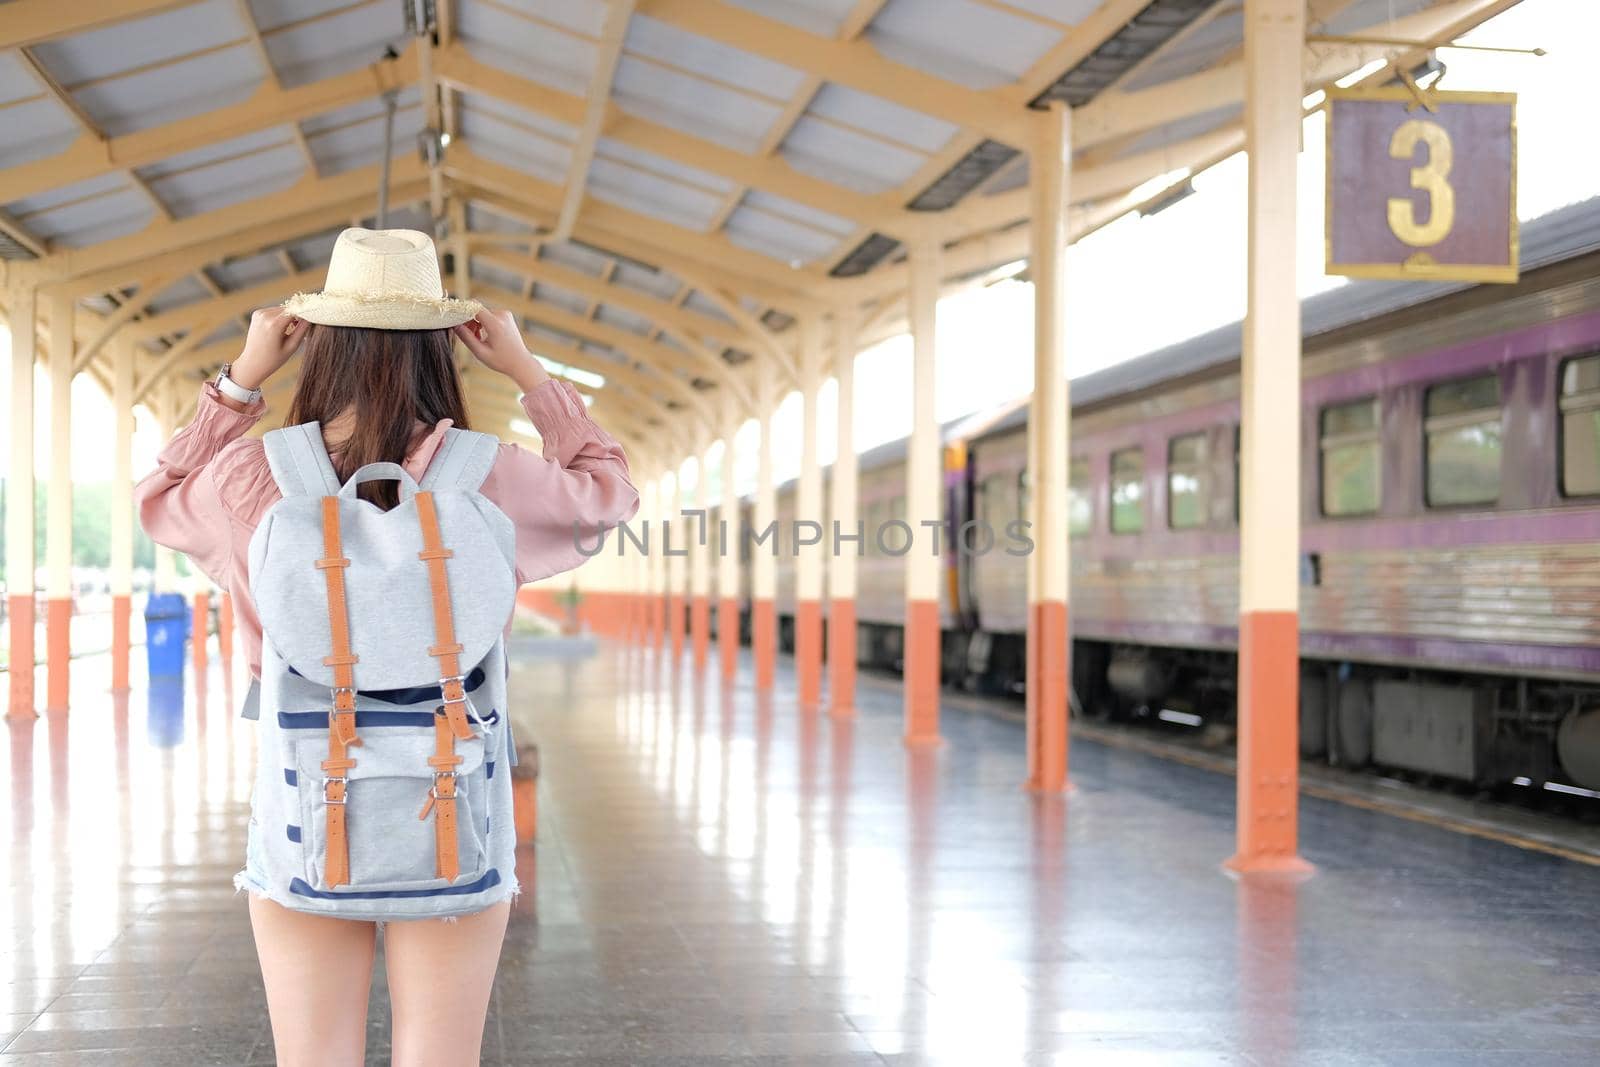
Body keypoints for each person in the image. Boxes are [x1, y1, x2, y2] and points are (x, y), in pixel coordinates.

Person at [135, 228, 638, 1066]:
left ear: (318, 343)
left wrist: (238, 381)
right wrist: (530, 374)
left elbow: (158, 498)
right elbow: (609, 491)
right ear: (444, 349)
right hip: (454, 808)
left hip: (305, 810)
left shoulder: (250, 482)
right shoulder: (493, 477)